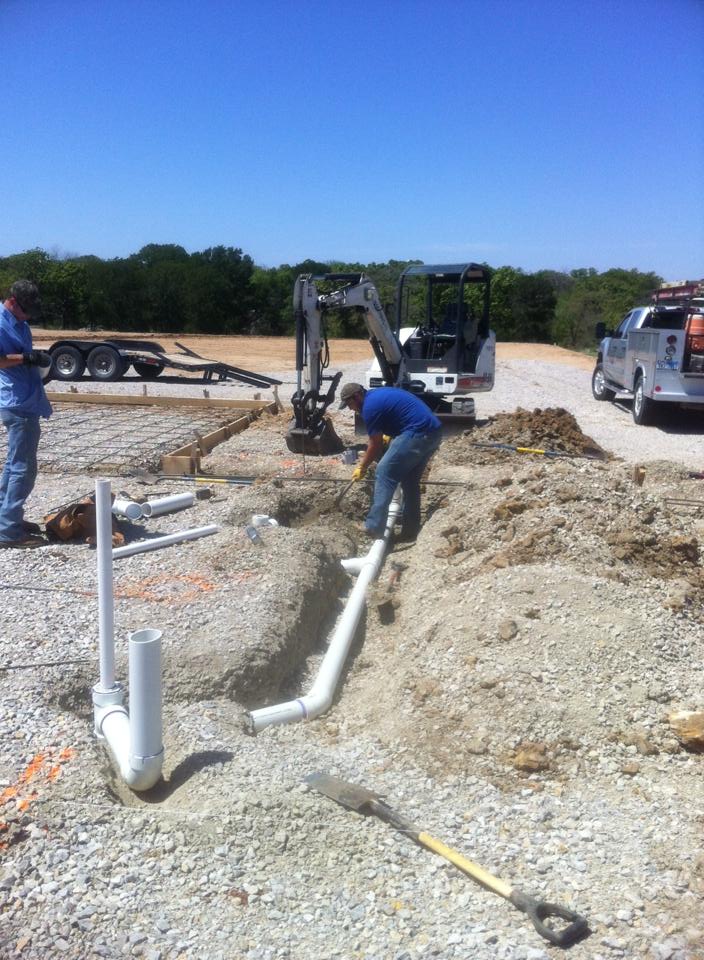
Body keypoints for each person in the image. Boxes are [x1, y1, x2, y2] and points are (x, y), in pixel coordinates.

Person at [338, 382, 442, 541]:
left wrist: (363, 467)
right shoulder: (376, 396)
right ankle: (410, 531)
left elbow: (375, 444)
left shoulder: (369, 408)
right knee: (409, 481)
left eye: (350, 404)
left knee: (384, 472)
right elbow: (397, 413)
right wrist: (391, 433)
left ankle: (373, 527)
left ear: (357, 396)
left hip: (417, 433)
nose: (351, 409)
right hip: (433, 432)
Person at [0, 280, 53, 548]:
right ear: (13, 301)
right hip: (16, 403)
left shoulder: (19, 323)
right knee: (23, 468)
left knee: (14, 465)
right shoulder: (0, 323)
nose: (30, 315)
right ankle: (9, 532)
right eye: (27, 310)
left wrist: (37, 362)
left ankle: (6, 520)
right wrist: (26, 359)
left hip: (25, 399)